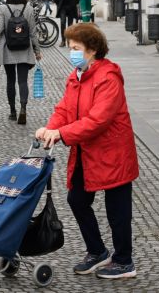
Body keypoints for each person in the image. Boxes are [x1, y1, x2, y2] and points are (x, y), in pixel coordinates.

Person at [36, 23, 139, 280]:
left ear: (92, 50)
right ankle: (97, 251)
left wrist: (62, 134)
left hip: (113, 153)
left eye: (75, 48)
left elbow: (98, 120)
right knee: (77, 200)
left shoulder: (108, 77)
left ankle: (124, 261)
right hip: (87, 151)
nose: (71, 52)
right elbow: (64, 109)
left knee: (117, 210)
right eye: (70, 47)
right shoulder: (77, 76)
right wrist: (50, 129)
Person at [0, 0, 42, 125]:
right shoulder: (28, 8)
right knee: (22, 81)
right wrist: (37, 51)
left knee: (10, 80)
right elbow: (33, 32)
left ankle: (13, 112)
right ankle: (23, 108)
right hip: (24, 48)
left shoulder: (3, 8)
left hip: (8, 48)